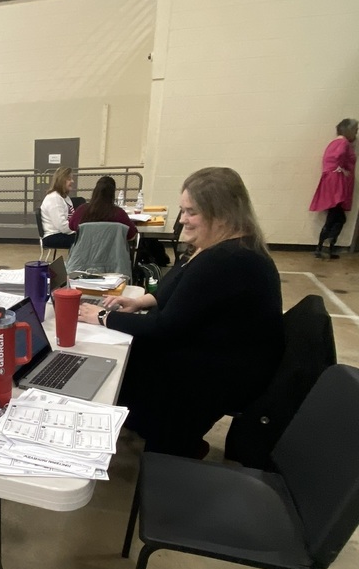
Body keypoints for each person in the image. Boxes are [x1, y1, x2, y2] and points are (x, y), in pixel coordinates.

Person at [80, 167, 284, 458]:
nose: (183, 220)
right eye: (183, 210)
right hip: (229, 357)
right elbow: (180, 285)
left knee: (129, 359)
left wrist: (103, 318)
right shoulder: (230, 247)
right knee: (134, 347)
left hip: (221, 372)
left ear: (222, 213)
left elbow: (167, 327)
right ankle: (159, 428)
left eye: (192, 212)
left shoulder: (225, 260)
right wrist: (140, 302)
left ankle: (169, 439)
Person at [309, 118, 357, 259]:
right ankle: (327, 247)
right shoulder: (343, 143)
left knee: (334, 216)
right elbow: (339, 156)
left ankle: (324, 247)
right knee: (337, 217)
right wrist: (341, 169)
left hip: (331, 180)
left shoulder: (335, 143)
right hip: (337, 181)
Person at [69, 175, 137, 240]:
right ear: (112, 193)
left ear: (95, 191)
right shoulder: (119, 213)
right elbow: (132, 236)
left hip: (85, 251)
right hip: (112, 251)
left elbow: (71, 226)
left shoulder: (82, 210)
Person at [40, 167, 76, 249]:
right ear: (62, 180)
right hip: (53, 236)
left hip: (63, 233)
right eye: (69, 179)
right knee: (86, 240)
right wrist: (79, 230)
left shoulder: (64, 197)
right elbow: (62, 226)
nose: (72, 181)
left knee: (86, 238)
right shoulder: (54, 198)